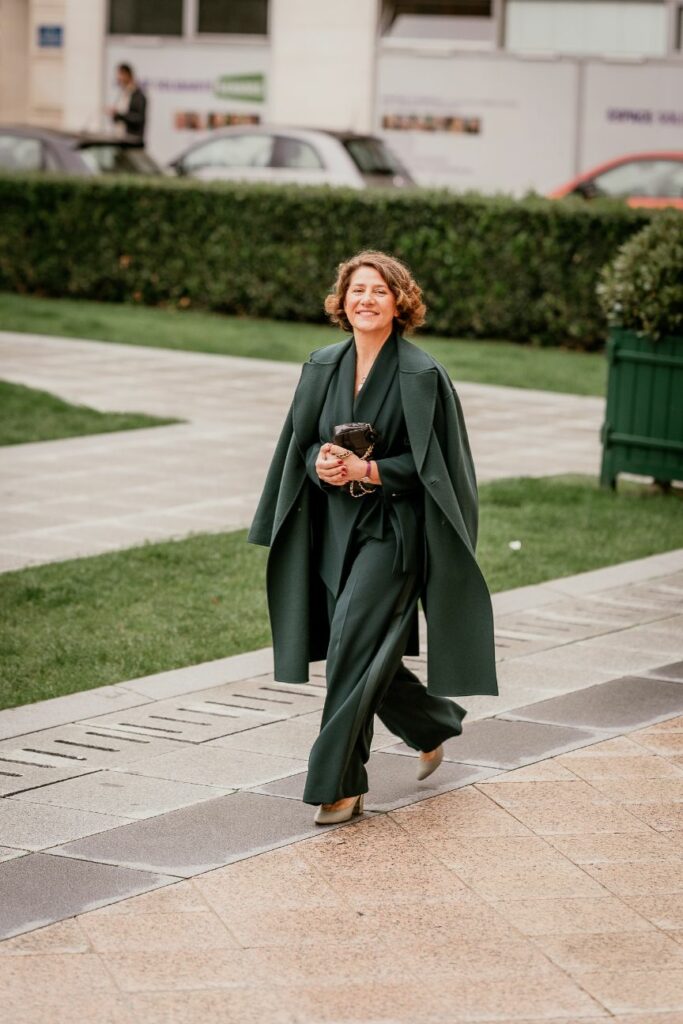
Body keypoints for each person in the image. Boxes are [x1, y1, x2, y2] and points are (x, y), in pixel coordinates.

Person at [247, 251, 498, 825]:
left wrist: (372, 472)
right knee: (354, 646)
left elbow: (435, 465)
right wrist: (324, 464)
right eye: (357, 290)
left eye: (379, 291)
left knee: (350, 650)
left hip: (395, 532)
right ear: (343, 302)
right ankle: (430, 723)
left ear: (399, 302)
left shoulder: (421, 374)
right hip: (333, 529)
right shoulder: (321, 366)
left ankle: (339, 783)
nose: (366, 299)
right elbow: (303, 442)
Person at [107, 63, 146, 145]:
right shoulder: (122, 94)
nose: (118, 78)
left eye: (121, 75)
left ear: (128, 75)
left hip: (132, 141)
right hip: (120, 139)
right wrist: (114, 115)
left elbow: (139, 118)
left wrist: (119, 115)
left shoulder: (138, 96)